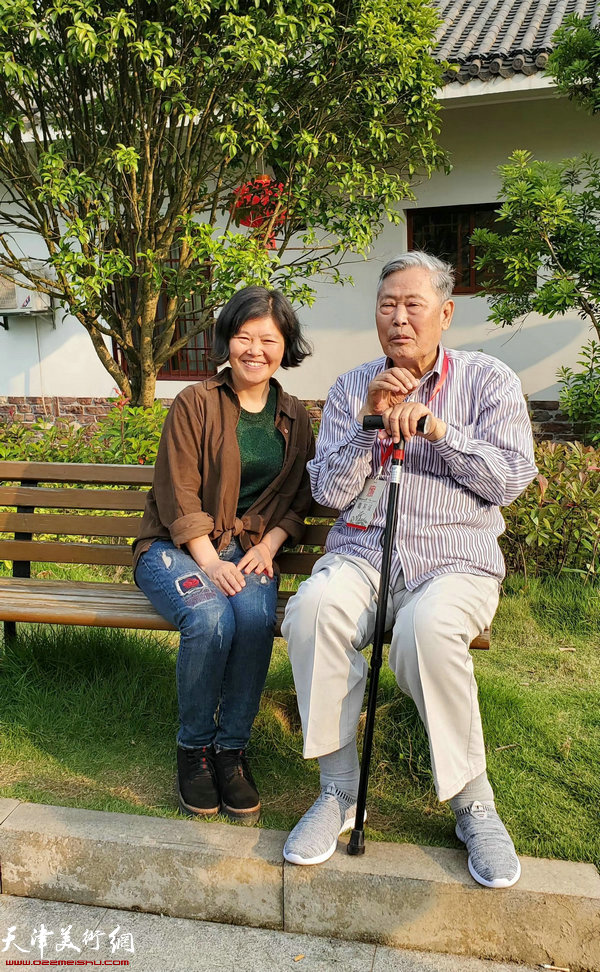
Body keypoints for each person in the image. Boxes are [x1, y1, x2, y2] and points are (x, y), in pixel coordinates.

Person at [281, 251, 537, 887]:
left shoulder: (489, 381)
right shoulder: (350, 387)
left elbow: (509, 480)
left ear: (445, 313)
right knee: (312, 609)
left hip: (455, 563)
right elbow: (331, 493)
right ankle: (339, 791)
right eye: (386, 305)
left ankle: (473, 804)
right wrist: (372, 428)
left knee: (425, 629)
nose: (397, 318)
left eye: (412, 305)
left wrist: (438, 431)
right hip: (365, 553)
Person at [134, 285, 314, 826]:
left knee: (255, 618)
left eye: (268, 339)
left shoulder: (294, 414)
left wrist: (268, 545)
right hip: (174, 549)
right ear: (226, 342)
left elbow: (296, 497)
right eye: (243, 337)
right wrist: (209, 561)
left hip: (250, 549)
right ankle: (195, 749)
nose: (254, 350)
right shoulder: (195, 402)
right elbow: (177, 492)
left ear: (285, 346)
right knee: (210, 617)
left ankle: (231, 750)